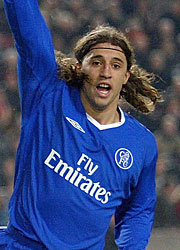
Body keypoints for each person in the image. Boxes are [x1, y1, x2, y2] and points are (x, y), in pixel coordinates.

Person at [0, 0, 162, 249]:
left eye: (116, 65)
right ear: (79, 68)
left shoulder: (142, 144)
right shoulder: (48, 95)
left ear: (126, 76)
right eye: (96, 62)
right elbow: (27, 25)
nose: (106, 72)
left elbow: (137, 211)